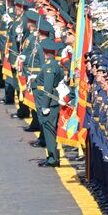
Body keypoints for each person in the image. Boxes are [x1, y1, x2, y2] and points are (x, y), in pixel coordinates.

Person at [36, 39, 64, 167]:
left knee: (49, 131)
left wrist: (45, 105)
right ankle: (51, 156)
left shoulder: (49, 66)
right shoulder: (53, 64)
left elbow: (48, 87)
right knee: (49, 131)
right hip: (52, 100)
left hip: (50, 102)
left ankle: (53, 159)